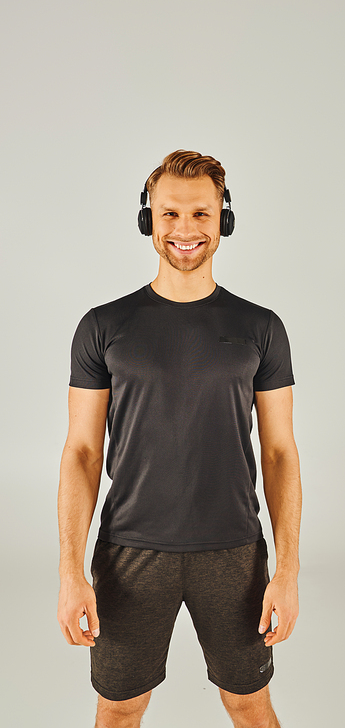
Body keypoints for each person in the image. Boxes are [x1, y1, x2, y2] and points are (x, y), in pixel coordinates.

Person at [57, 150, 302, 728]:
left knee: (249, 704)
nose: (185, 230)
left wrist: (287, 572)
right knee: (118, 711)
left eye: (200, 214)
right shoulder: (103, 326)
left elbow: (280, 452)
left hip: (235, 554)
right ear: (149, 220)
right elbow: (82, 452)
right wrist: (71, 573)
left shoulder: (260, 327)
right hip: (129, 555)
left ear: (224, 220)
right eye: (169, 214)